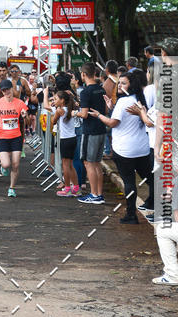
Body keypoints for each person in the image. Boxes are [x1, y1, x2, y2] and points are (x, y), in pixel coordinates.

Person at [89, 70, 153, 223]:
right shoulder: (140, 99)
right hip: (142, 148)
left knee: (129, 182)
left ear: (131, 85)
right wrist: (112, 108)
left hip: (124, 150)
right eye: (119, 82)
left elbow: (113, 123)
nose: (119, 86)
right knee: (150, 178)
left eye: (124, 83)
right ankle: (156, 206)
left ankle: (131, 215)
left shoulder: (124, 101)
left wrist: (99, 115)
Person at [0, 79, 28, 197]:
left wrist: (25, 115)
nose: (6, 92)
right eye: (3, 90)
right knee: (5, 164)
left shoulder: (19, 103)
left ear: (12, 89)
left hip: (16, 137)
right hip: (2, 137)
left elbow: (26, 117)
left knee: (15, 164)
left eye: (8, 89)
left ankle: (12, 188)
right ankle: (2, 168)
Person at [76, 62, 107, 205]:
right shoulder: (101, 90)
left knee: (89, 163)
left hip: (90, 131)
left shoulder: (85, 92)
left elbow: (83, 114)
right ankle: (99, 194)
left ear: (83, 74)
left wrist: (74, 112)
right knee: (96, 163)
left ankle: (94, 194)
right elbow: (105, 110)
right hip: (101, 129)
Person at [49, 90, 80, 196]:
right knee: (70, 165)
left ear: (62, 100)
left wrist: (55, 107)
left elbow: (53, 121)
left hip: (65, 139)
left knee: (65, 165)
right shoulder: (70, 108)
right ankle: (75, 187)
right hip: (72, 138)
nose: (54, 101)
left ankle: (67, 188)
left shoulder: (60, 110)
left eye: (56, 99)